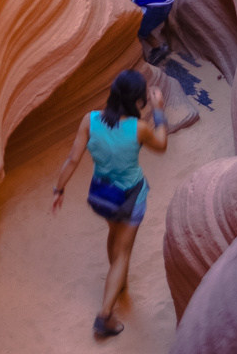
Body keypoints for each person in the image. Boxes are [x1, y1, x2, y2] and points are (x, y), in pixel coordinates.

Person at [51, 69, 168, 337]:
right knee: (123, 252)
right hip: (130, 197)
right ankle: (104, 316)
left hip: (102, 196)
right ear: (138, 100)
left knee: (114, 235)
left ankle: (120, 282)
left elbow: (72, 159)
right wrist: (159, 110)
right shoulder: (138, 128)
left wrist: (59, 189)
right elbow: (161, 145)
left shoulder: (89, 120)